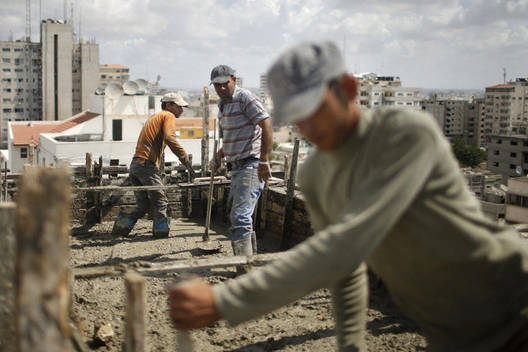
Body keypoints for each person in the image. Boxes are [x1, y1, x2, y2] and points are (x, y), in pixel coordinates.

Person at [169, 42, 528, 351]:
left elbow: (346, 243)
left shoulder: (404, 135)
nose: (308, 127)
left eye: (314, 109)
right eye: (296, 117)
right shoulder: (317, 174)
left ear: (348, 89)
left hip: (511, 299)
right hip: (450, 330)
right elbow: (346, 270)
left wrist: (226, 302)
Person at [210, 65, 273, 258]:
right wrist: (219, 156)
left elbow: (267, 124)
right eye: (216, 85)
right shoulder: (223, 105)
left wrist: (264, 161)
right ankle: (250, 261)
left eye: (224, 84)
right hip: (237, 167)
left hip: (251, 164)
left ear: (233, 80)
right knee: (238, 215)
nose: (221, 88)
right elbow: (233, 137)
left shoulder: (245, 97)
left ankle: (244, 267)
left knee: (240, 217)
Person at [112, 92, 194, 238]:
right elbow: (170, 137)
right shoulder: (167, 116)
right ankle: (161, 234)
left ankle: (120, 229)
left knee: (143, 205)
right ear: (169, 105)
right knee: (161, 202)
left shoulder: (154, 117)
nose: (181, 110)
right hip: (146, 166)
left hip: (136, 165)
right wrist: (184, 157)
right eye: (179, 106)